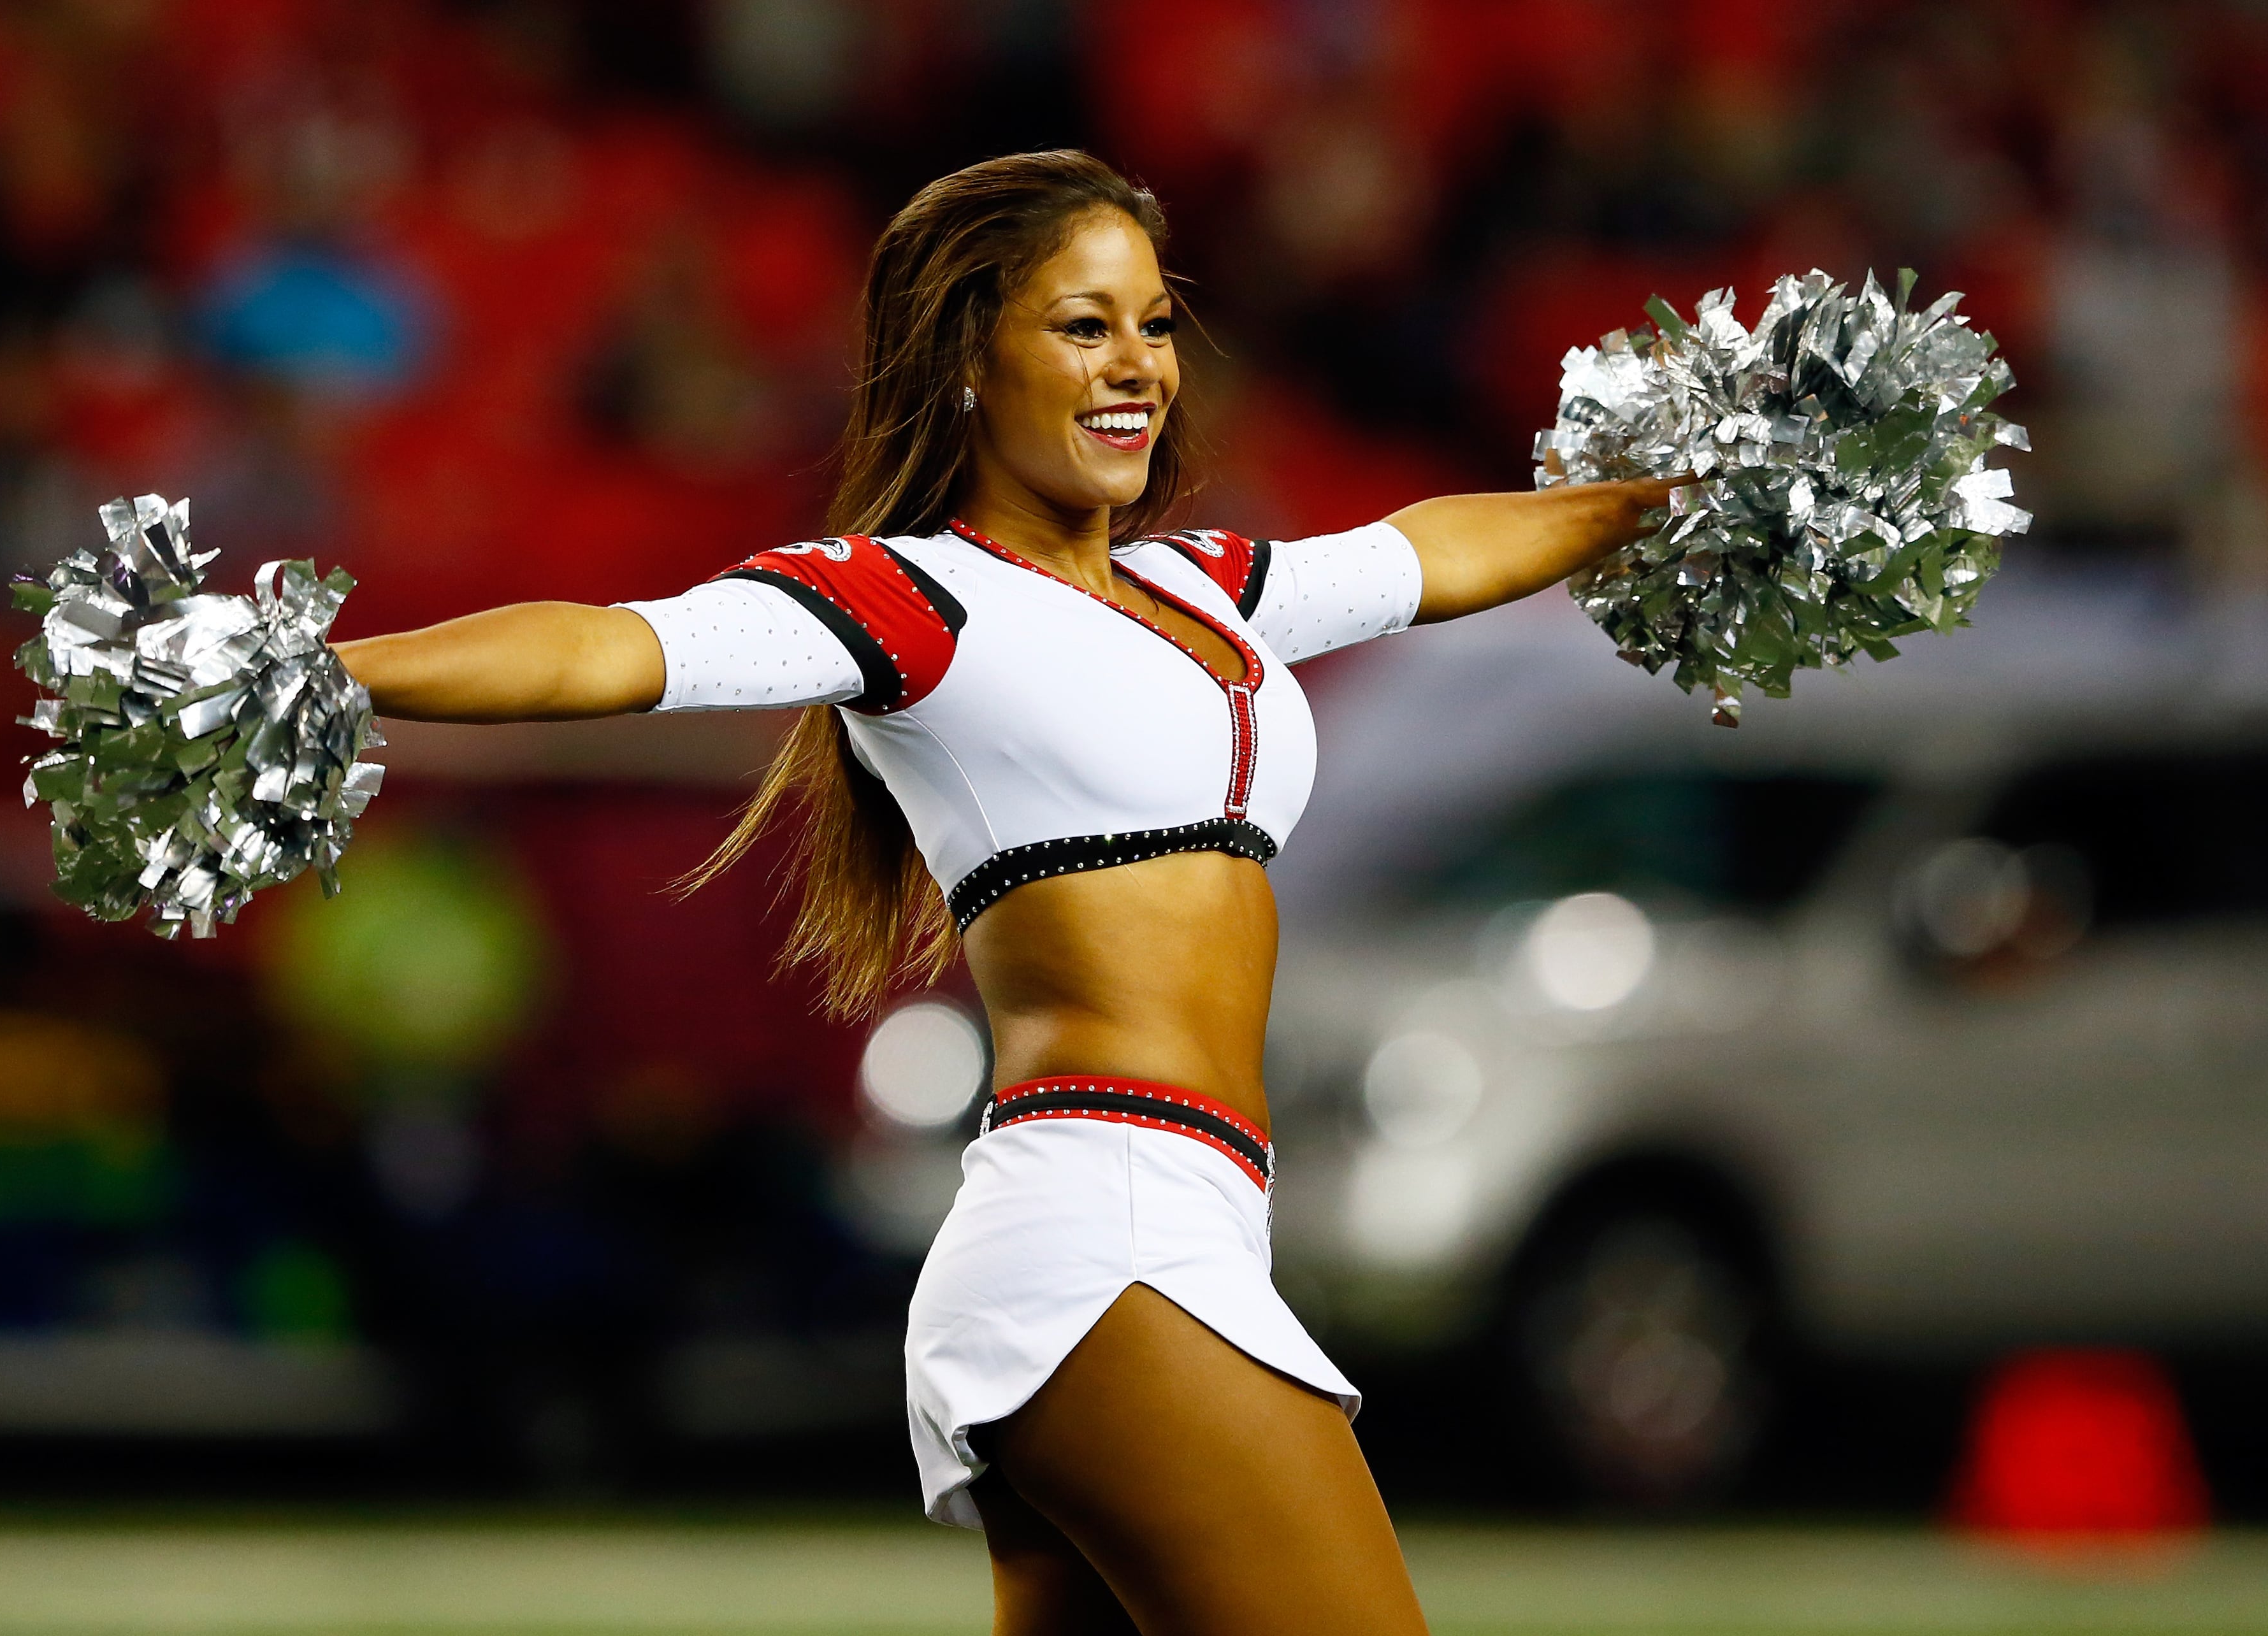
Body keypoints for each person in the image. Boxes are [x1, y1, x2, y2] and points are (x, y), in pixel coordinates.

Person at [337, 150, 1675, 1635]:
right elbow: (607, 648)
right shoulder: (909, 600)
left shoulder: (1211, 590)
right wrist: (325, 678)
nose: (1137, 365)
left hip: (1193, 1221)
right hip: (1102, 1240)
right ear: (968, 359)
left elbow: (1428, 552)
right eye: (1083, 326)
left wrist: (1659, 500)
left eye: (1154, 324)